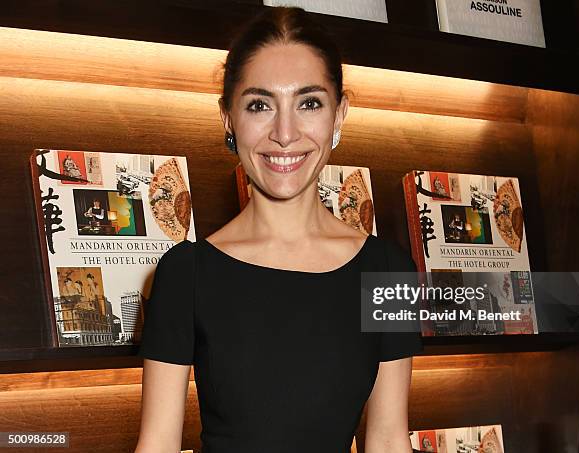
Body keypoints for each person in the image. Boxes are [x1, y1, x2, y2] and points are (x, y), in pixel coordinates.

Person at [135, 6, 423, 453]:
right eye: (259, 105)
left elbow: (387, 439)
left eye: (309, 103)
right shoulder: (185, 274)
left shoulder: (388, 272)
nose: (285, 133)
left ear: (339, 114)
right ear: (228, 118)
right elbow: (157, 445)